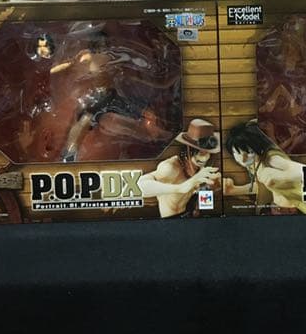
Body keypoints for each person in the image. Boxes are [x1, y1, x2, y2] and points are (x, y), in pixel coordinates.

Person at [50, 29, 171, 162]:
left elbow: (131, 60)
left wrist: (149, 65)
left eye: (104, 44)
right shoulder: (87, 56)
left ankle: (160, 136)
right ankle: (69, 155)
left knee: (142, 111)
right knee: (83, 122)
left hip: (112, 95)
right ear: (93, 44)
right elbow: (68, 65)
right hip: (97, 98)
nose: (102, 46)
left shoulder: (112, 56)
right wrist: (61, 67)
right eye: (99, 44)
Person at [223, 120, 306, 215]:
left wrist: (280, 177)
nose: (243, 159)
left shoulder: (272, 159)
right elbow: (262, 185)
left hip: (293, 211)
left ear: (259, 147)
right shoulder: (253, 163)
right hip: (275, 208)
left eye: (249, 152)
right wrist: (233, 190)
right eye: (237, 153)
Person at [138, 118, 221, 218]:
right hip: (171, 222)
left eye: (208, 153)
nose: (204, 158)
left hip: (191, 218)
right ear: (188, 149)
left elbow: (206, 198)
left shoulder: (203, 168)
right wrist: (181, 188)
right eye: (199, 152)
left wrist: (213, 187)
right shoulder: (170, 167)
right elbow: (138, 187)